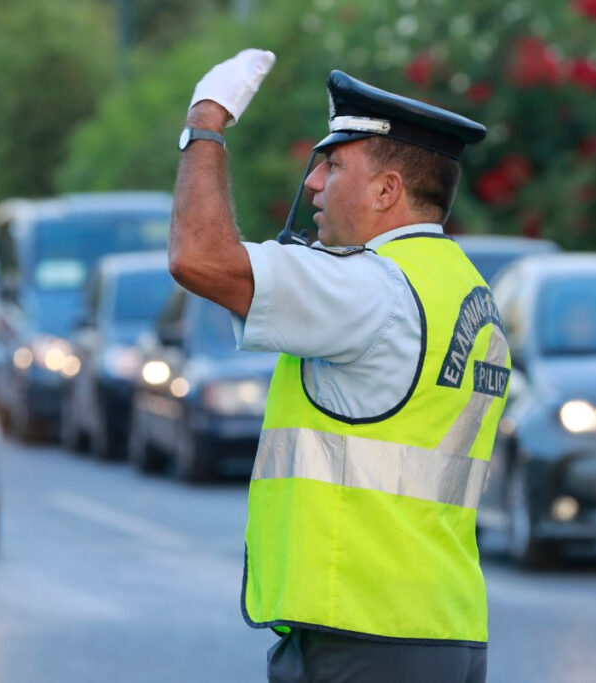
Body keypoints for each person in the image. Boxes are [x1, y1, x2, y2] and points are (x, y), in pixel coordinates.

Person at [169, 49, 512, 683]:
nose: (313, 184)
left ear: (389, 190)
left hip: (362, 631)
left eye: (334, 165)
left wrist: (206, 123)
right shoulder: (463, 289)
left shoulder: (372, 288)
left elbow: (199, 256)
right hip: (441, 626)